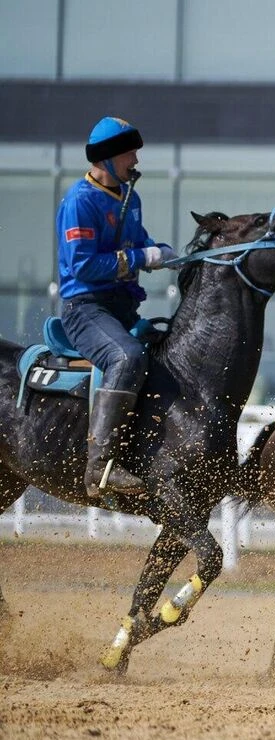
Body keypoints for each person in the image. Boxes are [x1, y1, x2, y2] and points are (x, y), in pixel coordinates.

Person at [56, 116, 175, 497]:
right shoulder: (79, 201)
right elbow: (83, 265)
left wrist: (164, 253)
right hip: (84, 310)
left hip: (121, 310)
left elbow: (140, 241)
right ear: (106, 158)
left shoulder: (130, 197)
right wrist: (142, 258)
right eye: (129, 152)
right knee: (127, 358)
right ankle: (99, 468)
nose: (135, 159)